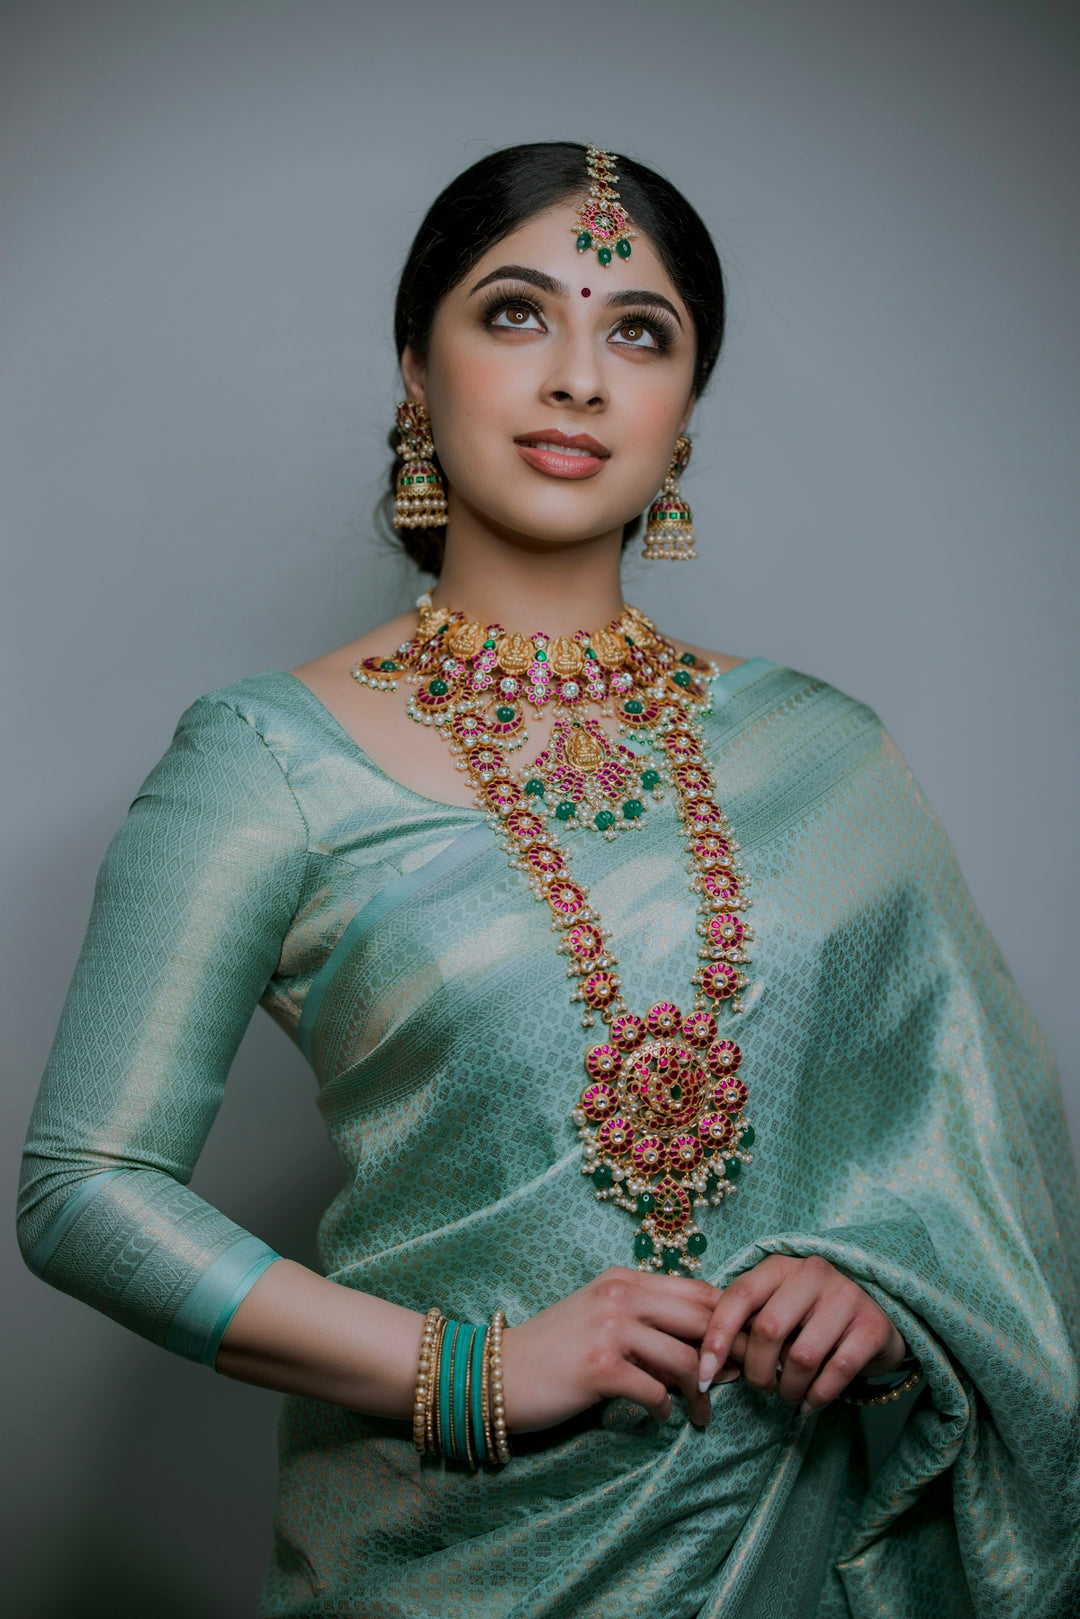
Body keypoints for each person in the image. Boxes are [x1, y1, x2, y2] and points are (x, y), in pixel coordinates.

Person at [17, 141, 1080, 1619]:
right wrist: (472, 1372)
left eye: (640, 333)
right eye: (516, 314)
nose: (579, 378)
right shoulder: (269, 760)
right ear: (415, 370)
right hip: (440, 1556)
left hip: (787, 1531)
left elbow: (982, 1164)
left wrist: (887, 1300)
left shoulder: (820, 755)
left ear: (685, 412)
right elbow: (84, 1191)